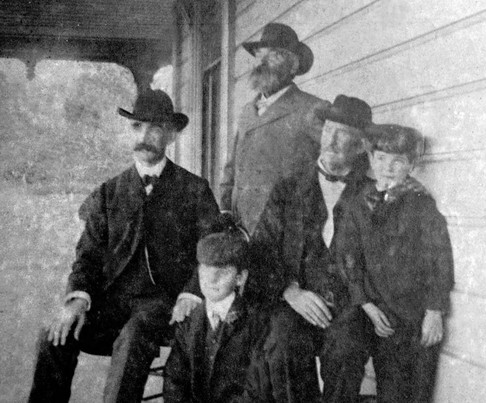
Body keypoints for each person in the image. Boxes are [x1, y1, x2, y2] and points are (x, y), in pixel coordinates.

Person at [28, 89, 220, 403]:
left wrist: (191, 292)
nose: (144, 136)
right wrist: (76, 299)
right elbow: (87, 256)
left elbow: (211, 250)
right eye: (137, 127)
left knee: (134, 335)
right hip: (111, 306)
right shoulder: (108, 193)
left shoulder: (194, 190)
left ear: (170, 135)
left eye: (154, 129)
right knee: (54, 335)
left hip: (165, 308)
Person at [247, 95, 375, 402]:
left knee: (348, 348)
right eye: (327, 129)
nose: (330, 140)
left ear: (359, 147)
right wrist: (291, 291)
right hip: (296, 299)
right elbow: (261, 252)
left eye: (342, 134)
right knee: (283, 341)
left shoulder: (371, 195)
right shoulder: (288, 189)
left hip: (349, 306)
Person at [338, 124, 454, 402]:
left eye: (397, 161)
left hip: (417, 317)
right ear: (371, 160)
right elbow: (349, 257)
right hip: (383, 316)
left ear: (411, 165)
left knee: (418, 392)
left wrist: (435, 311)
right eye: (381, 159)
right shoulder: (359, 205)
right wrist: (366, 304)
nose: (388, 168)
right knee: (391, 391)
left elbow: (440, 259)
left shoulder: (421, 205)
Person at [220, 22, 329, 235]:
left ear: (292, 65)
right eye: (260, 55)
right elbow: (232, 167)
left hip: (285, 233)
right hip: (241, 229)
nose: (262, 62)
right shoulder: (247, 112)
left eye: (273, 56)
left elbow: (333, 168)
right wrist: (224, 209)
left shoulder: (312, 108)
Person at [163, 220, 268, 403]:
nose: (211, 280)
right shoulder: (189, 322)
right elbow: (174, 380)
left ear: (240, 278)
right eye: (205, 271)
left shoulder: (255, 322)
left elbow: (256, 388)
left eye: (223, 272)